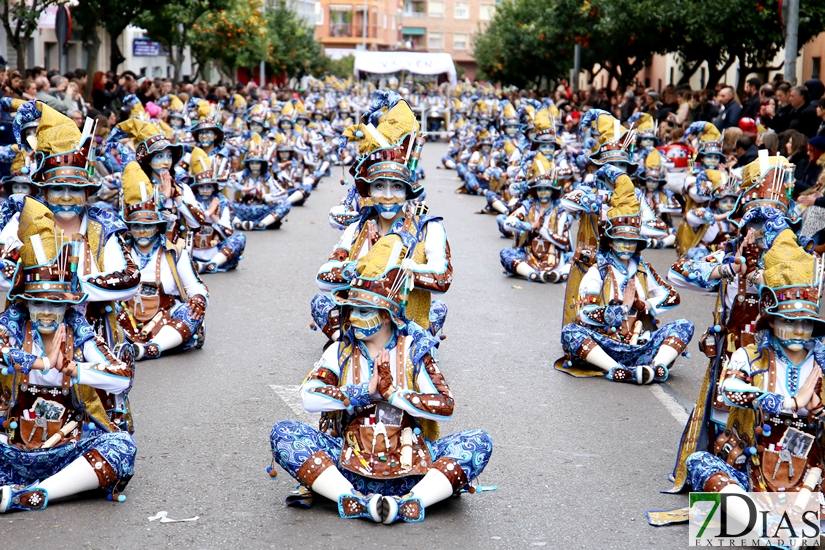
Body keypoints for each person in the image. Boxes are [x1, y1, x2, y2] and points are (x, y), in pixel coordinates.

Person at [270, 236, 492, 523]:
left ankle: (413, 502)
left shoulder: (414, 348)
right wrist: (366, 391)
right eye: (351, 311)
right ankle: (351, 499)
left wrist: (394, 395)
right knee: (283, 433)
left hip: (411, 467)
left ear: (387, 315)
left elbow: (445, 405)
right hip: (347, 464)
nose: (354, 319)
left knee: (479, 442)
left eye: (364, 311)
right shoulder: (341, 350)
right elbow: (309, 396)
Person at [0, 196, 136, 513]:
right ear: (23, 302)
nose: (47, 313)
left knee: (121, 447)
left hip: (68, 450)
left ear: (68, 305)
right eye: (38, 304)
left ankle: (33, 495)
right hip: (11, 446)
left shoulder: (81, 332)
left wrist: (77, 370)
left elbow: (123, 379)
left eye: (55, 305)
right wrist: (38, 362)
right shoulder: (10, 327)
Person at [0, 102, 140, 347]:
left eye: (75, 189)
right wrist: (44, 288)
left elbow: (129, 279)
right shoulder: (22, 218)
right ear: (43, 191)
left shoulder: (102, 224)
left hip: (88, 332)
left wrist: (73, 289)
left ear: (87, 194)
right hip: (30, 330)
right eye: (57, 188)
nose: (66, 196)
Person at [313, 93, 451, 341]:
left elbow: (442, 278)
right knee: (319, 304)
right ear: (369, 191)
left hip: (405, 323)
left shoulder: (429, 228)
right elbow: (324, 276)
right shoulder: (356, 227)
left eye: (397, 187)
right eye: (379, 187)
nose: (388, 196)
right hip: (361, 320)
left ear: (408, 191)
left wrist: (399, 271)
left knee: (435, 313)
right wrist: (362, 270)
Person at [557, 166, 693, 383]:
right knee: (570, 333)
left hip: (640, 343)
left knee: (684, 325)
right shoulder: (597, 271)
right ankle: (616, 369)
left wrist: (645, 305)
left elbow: (672, 296)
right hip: (605, 345)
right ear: (610, 242)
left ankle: (656, 367)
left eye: (632, 242)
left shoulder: (643, 269)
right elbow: (585, 313)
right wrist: (620, 308)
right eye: (622, 240)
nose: (627, 246)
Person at [116, 162, 208, 360]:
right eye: (136, 226)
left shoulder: (174, 252)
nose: (141, 231)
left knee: (191, 312)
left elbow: (196, 288)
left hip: (166, 320)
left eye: (147, 226)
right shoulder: (119, 251)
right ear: (129, 228)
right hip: (129, 320)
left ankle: (151, 348)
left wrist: (199, 299)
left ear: (158, 227)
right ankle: (127, 344)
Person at [500, 152, 572, 283]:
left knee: (578, 256)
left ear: (552, 191)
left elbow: (565, 242)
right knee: (505, 253)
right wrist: (530, 226)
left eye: (547, 189)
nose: (543, 192)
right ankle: (533, 274)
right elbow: (508, 223)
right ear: (536, 191)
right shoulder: (528, 206)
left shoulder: (561, 210)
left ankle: (561, 275)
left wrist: (543, 230)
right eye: (540, 189)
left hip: (555, 254)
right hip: (530, 254)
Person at [187, 147, 246, 273]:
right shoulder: (190, 200)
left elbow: (228, 233)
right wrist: (207, 213)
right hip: (192, 251)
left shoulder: (223, 203)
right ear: (196, 188)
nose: (205, 190)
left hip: (215, 251)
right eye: (201, 187)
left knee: (240, 238)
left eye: (208, 186)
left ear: (214, 188)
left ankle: (209, 265)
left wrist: (216, 221)